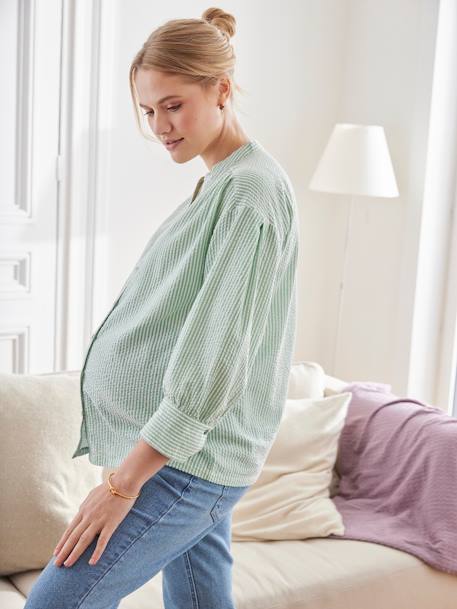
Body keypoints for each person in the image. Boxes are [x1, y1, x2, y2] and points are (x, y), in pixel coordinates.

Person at [24, 6, 299, 609]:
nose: (160, 126)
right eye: (149, 111)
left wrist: (124, 484)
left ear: (221, 90)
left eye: (173, 105)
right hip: (184, 454)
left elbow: (217, 353)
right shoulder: (222, 181)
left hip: (186, 463)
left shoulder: (251, 191)